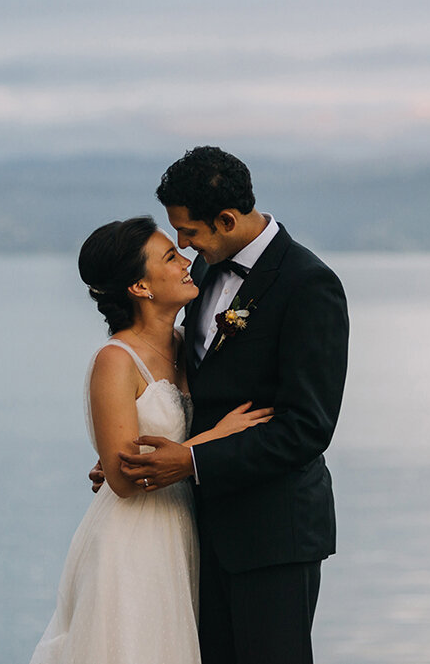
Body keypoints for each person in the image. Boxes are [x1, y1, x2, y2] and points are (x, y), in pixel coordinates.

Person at [111, 146, 349, 663]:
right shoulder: (203, 275)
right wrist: (142, 452)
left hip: (273, 536)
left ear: (226, 219)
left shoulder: (309, 285)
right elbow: (196, 392)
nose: (183, 245)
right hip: (198, 531)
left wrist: (191, 461)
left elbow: (307, 428)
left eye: (190, 232)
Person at [29, 216, 274, 664]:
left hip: (184, 529)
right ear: (140, 288)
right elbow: (122, 480)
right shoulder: (115, 360)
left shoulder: (190, 344)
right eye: (169, 257)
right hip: (132, 541)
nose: (186, 261)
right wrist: (215, 438)